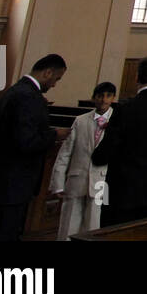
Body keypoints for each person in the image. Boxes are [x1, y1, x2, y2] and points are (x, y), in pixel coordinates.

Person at [0, 54, 66, 241]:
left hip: (1, 180)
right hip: (13, 182)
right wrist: (54, 135)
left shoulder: (15, 90)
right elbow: (26, 141)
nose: (54, 85)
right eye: (56, 79)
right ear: (47, 72)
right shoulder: (29, 97)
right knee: (4, 233)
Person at [92, 56, 147, 226]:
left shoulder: (126, 109)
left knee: (114, 233)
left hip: (122, 187)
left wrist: (97, 158)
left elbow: (107, 149)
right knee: (145, 232)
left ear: (136, 77)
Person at [49, 82, 115, 239]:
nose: (104, 100)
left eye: (108, 96)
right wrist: (58, 183)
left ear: (113, 98)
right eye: (100, 96)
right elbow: (65, 153)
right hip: (77, 177)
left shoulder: (117, 121)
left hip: (102, 181)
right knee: (69, 221)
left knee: (94, 222)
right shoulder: (80, 120)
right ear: (93, 98)